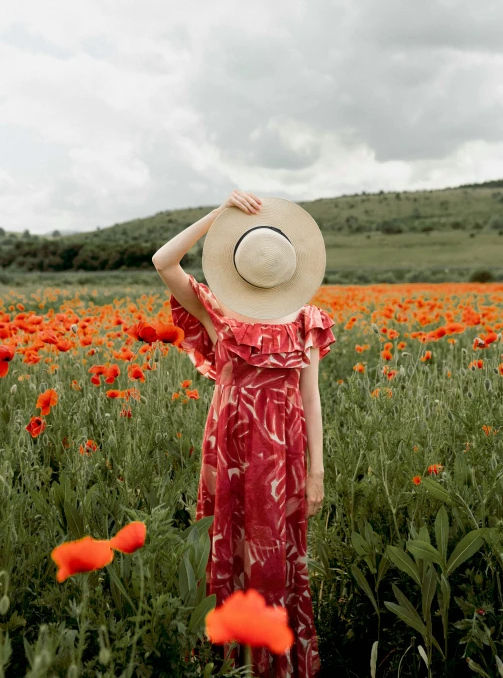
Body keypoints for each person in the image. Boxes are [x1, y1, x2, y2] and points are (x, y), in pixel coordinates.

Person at [152, 190, 336, 678]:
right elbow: (163, 260)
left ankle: (274, 661)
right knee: (228, 546)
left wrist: (317, 471)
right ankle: (230, 661)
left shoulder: (305, 320)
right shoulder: (220, 314)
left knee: (278, 554)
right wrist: (218, 215)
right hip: (229, 448)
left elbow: (312, 399)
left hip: (284, 452)